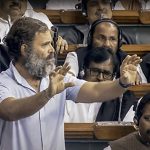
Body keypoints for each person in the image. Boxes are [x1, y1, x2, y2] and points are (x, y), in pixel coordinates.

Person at [0, 17, 141, 150]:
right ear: (24, 50)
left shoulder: (58, 78)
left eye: (51, 43)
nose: (52, 50)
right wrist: (47, 94)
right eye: (45, 45)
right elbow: (9, 111)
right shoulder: (4, 82)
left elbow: (96, 90)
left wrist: (121, 83)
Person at [65, 47, 136, 122]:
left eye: (106, 73)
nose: (100, 78)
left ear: (113, 76)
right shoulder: (69, 92)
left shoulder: (123, 100)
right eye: (95, 71)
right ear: (84, 70)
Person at [64, 18, 145, 82]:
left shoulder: (129, 61)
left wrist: (135, 79)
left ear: (119, 42)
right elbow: (67, 80)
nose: (107, 44)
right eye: (101, 38)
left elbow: (141, 92)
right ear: (90, 39)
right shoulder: (75, 56)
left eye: (112, 39)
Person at [0, 0, 68, 53]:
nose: (16, 1)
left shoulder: (39, 18)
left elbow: (53, 36)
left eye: (22, 0)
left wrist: (58, 40)